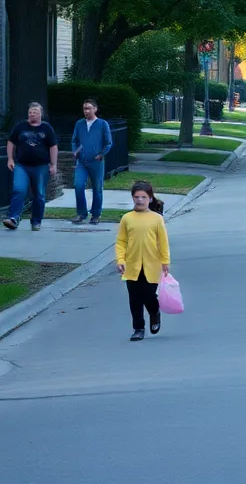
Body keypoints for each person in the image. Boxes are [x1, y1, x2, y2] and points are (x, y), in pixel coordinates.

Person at [115, 181, 171, 341]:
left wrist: (165, 261)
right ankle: (138, 328)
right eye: (136, 197)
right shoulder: (127, 218)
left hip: (152, 265)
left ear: (150, 198)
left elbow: (163, 241)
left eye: (143, 197)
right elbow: (121, 241)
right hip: (131, 265)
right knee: (134, 298)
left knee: (148, 295)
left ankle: (155, 312)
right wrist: (120, 259)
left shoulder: (156, 219)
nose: (140, 200)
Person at [3, 102, 58, 231]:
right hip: (22, 165)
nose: (32, 114)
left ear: (40, 114)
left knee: (39, 194)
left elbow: (53, 146)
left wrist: (54, 164)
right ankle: (14, 217)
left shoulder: (46, 128)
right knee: (18, 189)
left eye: (35, 112)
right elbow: (11, 142)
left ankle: (36, 221)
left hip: (41, 166)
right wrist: (10, 159)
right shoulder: (20, 126)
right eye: (30, 112)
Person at [71, 98, 113, 225]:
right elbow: (74, 140)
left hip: (96, 162)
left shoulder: (102, 124)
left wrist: (101, 154)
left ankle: (96, 214)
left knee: (97, 188)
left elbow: (108, 142)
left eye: (89, 108)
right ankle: (81, 213)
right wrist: (75, 151)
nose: (87, 111)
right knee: (78, 185)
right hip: (82, 162)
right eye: (85, 108)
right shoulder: (79, 124)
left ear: (95, 109)